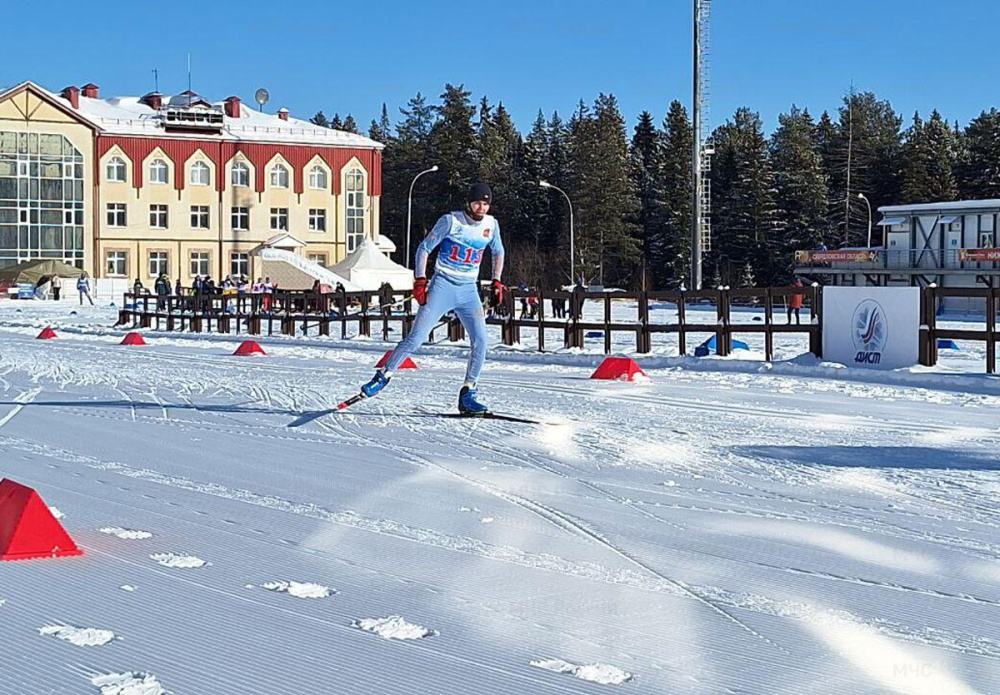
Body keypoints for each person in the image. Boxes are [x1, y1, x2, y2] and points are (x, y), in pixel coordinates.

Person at [357, 182, 505, 415]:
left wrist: (496, 281)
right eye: (477, 203)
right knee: (416, 339)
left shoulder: (491, 224)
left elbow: (498, 251)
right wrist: (420, 280)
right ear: (468, 202)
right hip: (443, 286)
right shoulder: (451, 221)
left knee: (481, 341)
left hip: (468, 291)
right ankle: (383, 376)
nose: (481, 208)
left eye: (485, 204)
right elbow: (424, 249)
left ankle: (468, 393)